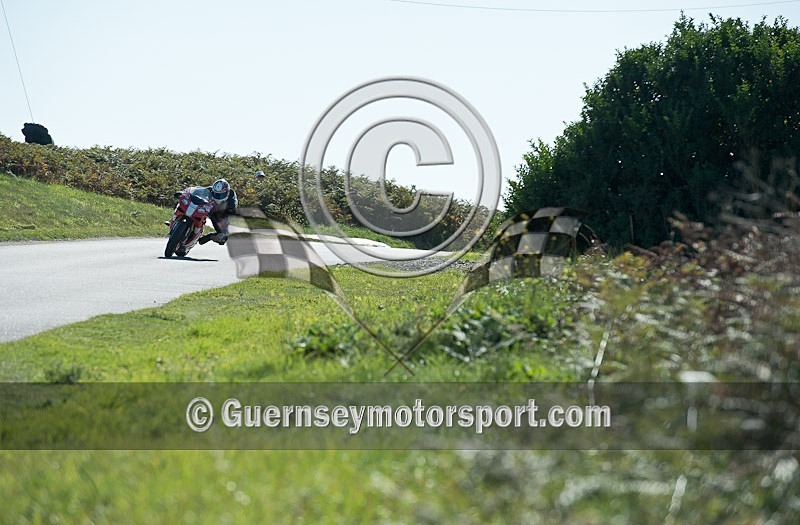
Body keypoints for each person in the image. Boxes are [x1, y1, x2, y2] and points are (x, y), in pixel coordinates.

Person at [168, 178, 238, 256]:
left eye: (220, 195)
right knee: (185, 206)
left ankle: (209, 237)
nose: (217, 196)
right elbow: (198, 194)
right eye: (215, 194)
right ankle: (175, 220)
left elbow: (232, 211)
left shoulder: (231, 198)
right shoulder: (210, 190)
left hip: (221, 214)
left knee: (222, 238)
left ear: (227, 193)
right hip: (210, 208)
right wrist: (184, 195)